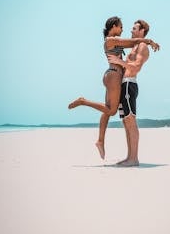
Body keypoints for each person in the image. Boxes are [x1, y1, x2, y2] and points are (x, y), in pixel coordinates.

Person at [68, 16, 159, 159]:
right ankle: (83, 101)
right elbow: (133, 41)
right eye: (121, 26)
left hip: (112, 76)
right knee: (111, 110)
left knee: (106, 109)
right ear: (114, 26)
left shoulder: (116, 42)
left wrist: (145, 41)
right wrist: (148, 40)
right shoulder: (110, 40)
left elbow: (132, 43)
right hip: (115, 75)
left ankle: (100, 141)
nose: (123, 29)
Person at [107, 19, 155, 166]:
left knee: (131, 121)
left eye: (134, 29)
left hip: (130, 84)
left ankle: (134, 158)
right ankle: (130, 157)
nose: (131, 31)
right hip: (124, 85)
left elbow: (135, 67)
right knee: (126, 123)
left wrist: (119, 61)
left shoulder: (142, 47)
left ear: (142, 31)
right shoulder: (135, 45)